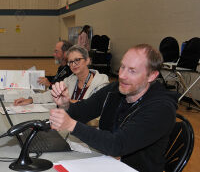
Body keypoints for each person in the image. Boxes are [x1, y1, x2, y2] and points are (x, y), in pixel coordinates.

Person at [49, 44, 177, 172]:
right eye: (122, 67)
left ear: (152, 76)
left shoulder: (161, 108)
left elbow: (117, 144)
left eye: (132, 71)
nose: (122, 75)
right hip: (107, 161)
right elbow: (84, 110)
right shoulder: (116, 89)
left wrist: (71, 125)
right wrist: (66, 104)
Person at [14, 45, 109, 106]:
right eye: (70, 62)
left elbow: (92, 107)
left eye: (77, 60)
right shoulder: (70, 80)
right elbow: (52, 94)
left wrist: (68, 102)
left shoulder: (101, 84)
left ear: (87, 60)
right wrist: (31, 99)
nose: (73, 64)